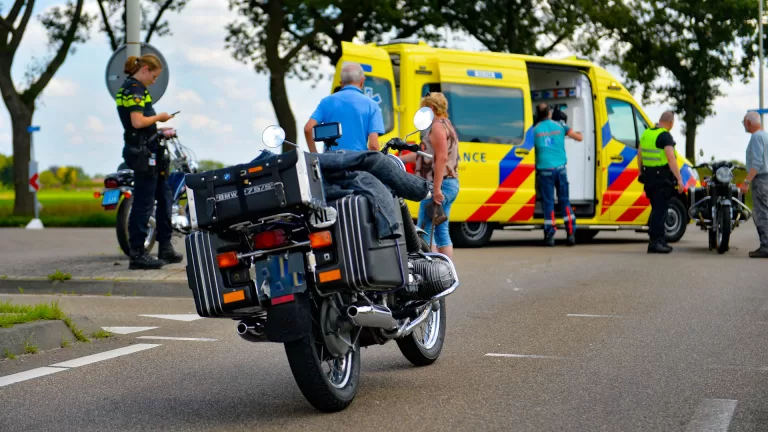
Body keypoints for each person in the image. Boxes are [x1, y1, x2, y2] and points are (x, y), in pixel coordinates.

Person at [116, 54, 183, 270]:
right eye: (154, 76)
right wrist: (159, 118)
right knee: (144, 203)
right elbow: (137, 122)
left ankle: (165, 247)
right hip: (143, 153)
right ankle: (138, 253)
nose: (154, 81)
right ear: (145, 69)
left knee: (164, 198)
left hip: (150, 149)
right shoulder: (133, 89)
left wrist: (158, 130)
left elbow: (142, 124)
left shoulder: (135, 88)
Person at [399, 93, 460, 259]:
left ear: (432, 108)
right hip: (448, 183)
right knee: (440, 230)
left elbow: (441, 158)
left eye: (424, 108)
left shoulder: (437, 127)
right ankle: (442, 270)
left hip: (438, 184)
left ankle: (432, 269)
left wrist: (437, 188)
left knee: (425, 230)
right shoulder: (447, 125)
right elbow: (425, 155)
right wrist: (399, 159)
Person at [303, 63, 385, 153]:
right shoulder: (372, 105)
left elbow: (308, 128)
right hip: (358, 163)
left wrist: (315, 155)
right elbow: (373, 146)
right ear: (362, 81)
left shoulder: (326, 102)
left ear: (341, 83)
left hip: (331, 162)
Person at [533, 103, 583, 247]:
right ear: (549, 113)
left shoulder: (534, 130)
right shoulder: (560, 126)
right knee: (564, 201)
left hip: (544, 171)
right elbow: (579, 138)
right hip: (560, 169)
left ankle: (549, 236)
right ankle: (571, 233)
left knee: (548, 203)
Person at [638, 111, 685, 254]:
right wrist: (679, 179)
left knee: (656, 208)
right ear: (671, 123)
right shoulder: (665, 136)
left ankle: (659, 240)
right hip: (661, 178)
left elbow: (639, 153)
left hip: (649, 177)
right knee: (660, 210)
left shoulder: (647, 133)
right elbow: (671, 158)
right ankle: (656, 242)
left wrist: (640, 171)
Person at [739, 111, 768, 258]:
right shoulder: (765, 135)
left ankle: (766, 246)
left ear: (749, 123)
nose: (744, 125)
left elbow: (757, 163)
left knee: (761, 213)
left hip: (761, 179)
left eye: (744, 122)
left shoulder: (756, 137)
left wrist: (746, 182)